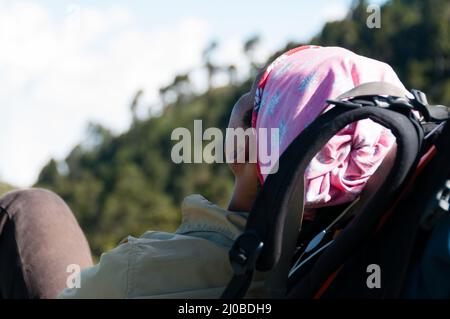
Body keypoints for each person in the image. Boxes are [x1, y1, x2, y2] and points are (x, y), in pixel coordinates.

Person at [0, 46, 406, 299]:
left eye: (254, 99)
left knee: (31, 208)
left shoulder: (138, 271)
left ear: (246, 146)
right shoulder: (356, 258)